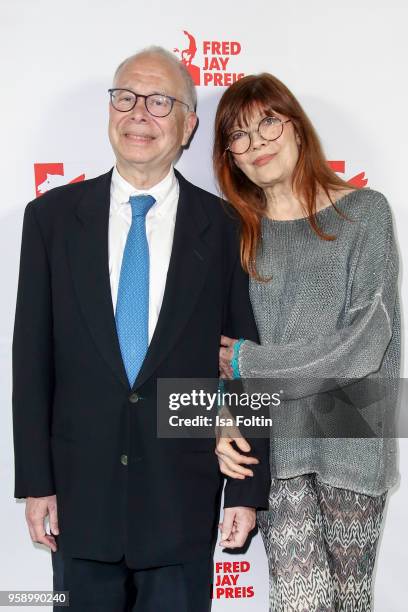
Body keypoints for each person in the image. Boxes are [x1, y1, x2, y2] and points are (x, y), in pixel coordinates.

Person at [12, 48, 270, 612]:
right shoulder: (51, 220)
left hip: (183, 498)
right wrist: (36, 483)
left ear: (188, 126)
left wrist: (246, 490)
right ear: (109, 111)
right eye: (125, 97)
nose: (139, 114)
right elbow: (31, 361)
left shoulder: (228, 228)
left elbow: (247, 359)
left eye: (160, 102)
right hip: (80, 503)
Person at [213, 73, 400, 612]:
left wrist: (256, 361)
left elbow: (365, 343)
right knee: (301, 602)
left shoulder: (365, 212)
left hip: (355, 436)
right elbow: (219, 348)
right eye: (240, 136)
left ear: (295, 126)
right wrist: (221, 417)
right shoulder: (236, 231)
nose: (258, 143)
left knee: (348, 602)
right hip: (277, 444)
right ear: (232, 157)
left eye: (267, 121)